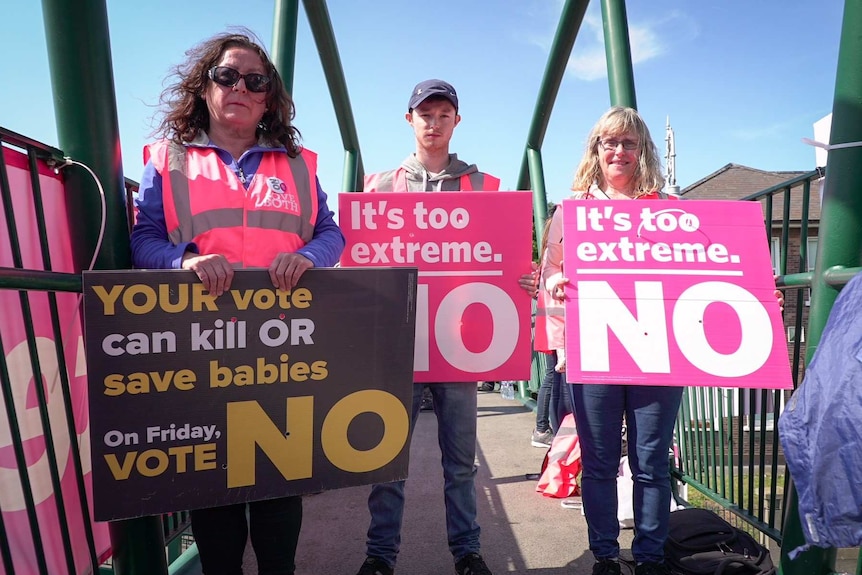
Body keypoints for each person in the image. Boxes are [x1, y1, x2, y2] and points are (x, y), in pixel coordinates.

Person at [130, 30, 344, 575]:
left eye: (255, 81)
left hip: (280, 347)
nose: (240, 87)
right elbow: (144, 239)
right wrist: (184, 261)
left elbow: (330, 233)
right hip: (202, 351)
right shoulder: (168, 160)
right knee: (214, 490)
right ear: (205, 88)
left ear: (268, 98)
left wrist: (312, 258)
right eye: (227, 76)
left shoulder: (299, 164)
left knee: (278, 490)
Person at [356, 79, 536, 575]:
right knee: (385, 462)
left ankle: (468, 552)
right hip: (399, 344)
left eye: (442, 114)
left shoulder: (486, 186)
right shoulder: (377, 186)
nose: (433, 123)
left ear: (457, 121)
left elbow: (502, 259)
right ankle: (379, 556)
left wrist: (523, 274)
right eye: (424, 114)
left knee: (460, 463)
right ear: (409, 120)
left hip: (460, 344)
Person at [542, 106, 679, 575]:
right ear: (596, 150)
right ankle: (604, 555)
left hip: (656, 352)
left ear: (642, 151)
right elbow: (550, 275)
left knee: (651, 463)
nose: (618, 151)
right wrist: (561, 344)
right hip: (592, 349)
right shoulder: (572, 210)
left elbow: (697, 271)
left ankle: (649, 558)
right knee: (598, 463)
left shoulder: (666, 209)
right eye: (609, 143)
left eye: (628, 143)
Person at [532, 206, 573, 448]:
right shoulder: (556, 259)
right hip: (557, 324)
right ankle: (548, 431)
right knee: (556, 379)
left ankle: (548, 431)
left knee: (554, 378)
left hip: (550, 322)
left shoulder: (549, 257)